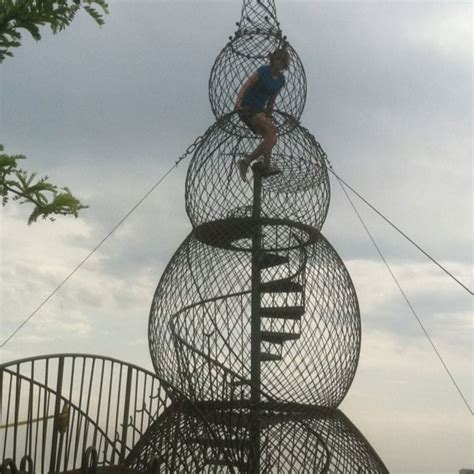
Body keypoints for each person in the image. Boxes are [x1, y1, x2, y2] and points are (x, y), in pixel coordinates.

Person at [235, 48, 290, 181]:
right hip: (247, 107)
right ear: (273, 59)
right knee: (272, 130)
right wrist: (238, 103)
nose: (279, 62)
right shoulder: (263, 70)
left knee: (272, 138)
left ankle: (246, 162)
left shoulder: (281, 80)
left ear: (285, 64)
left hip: (259, 110)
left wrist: (269, 116)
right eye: (277, 59)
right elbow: (246, 85)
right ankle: (267, 166)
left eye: (282, 61)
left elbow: (271, 101)